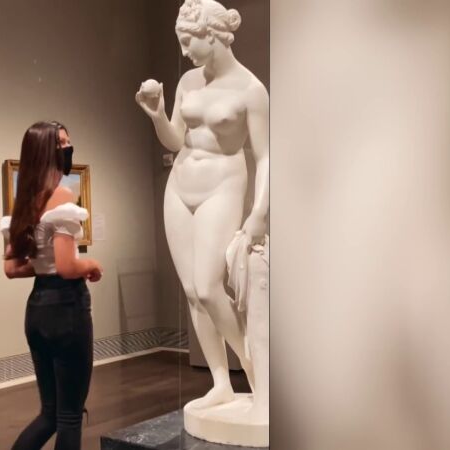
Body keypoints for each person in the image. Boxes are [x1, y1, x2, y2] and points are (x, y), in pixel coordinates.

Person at [135, 0, 269, 410]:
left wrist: (259, 212)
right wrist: (158, 115)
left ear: (212, 35)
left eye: (188, 41)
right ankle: (220, 383)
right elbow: (177, 140)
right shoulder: (188, 81)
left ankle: (255, 369)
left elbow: (265, 156)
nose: (183, 51)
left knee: (210, 288)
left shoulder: (251, 90)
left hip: (222, 186)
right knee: (193, 292)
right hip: (179, 187)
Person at [1, 121, 103, 450]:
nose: (68, 147)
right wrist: (91, 265)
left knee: (49, 413)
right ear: (46, 150)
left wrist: (47, 264)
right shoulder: (62, 196)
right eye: (61, 142)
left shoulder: (24, 201)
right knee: (70, 416)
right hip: (67, 309)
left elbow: (11, 268)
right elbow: (68, 267)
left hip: (37, 310)